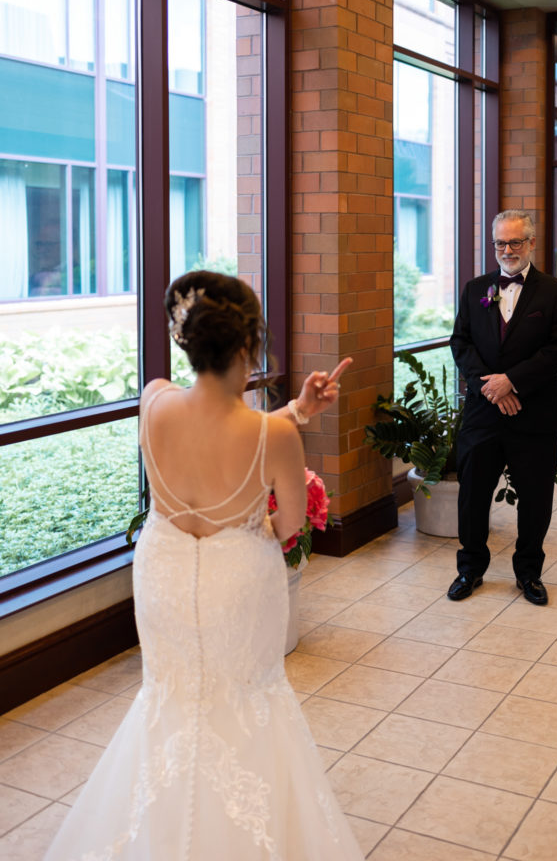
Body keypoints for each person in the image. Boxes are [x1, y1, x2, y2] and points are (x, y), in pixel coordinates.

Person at [44, 270, 361, 861]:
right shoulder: (272, 435)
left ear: (185, 338)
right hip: (236, 579)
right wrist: (293, 421)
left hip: (162, 566)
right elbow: (289, 526)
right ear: (249, 343)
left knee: (171, 695)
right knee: (244, 700)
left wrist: (295, 408)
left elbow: (214, 439)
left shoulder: (154, 399)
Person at [447, 210, 557, 607]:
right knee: (472, 496)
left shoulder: (556, 292)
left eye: (515, 242)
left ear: (532, 243)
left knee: (536, 498)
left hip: (532, 413)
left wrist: (512, 381)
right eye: (500, 243)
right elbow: (461, 343)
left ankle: (529, 573)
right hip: (484, 413)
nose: (507, 250)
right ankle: (469, 569)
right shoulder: (474, 289)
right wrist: (492, 386)